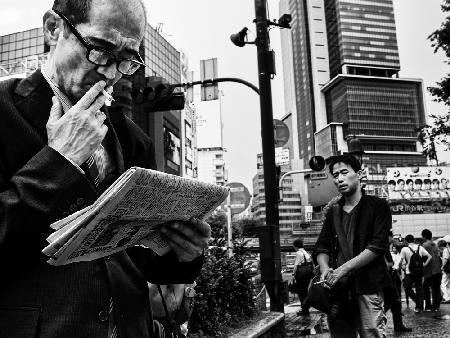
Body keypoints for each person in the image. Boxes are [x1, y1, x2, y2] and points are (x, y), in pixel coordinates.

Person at [0, 1, 211, 337]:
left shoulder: (129, 136)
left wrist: (181, 251)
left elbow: (137, 258)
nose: (111, 73)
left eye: (126, 60)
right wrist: (58, 162)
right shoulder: (5, 110)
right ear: (54, 29)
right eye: (99, 50)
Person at [315, 155, 392, 338]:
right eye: (335, 175)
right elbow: (321, 247)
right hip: (338, 290)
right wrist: (325, 269)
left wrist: (343, 269)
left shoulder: (378, 206)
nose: (339, 179)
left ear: (359, 174)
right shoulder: (333, 211)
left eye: (344, 172)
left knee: (372, 334)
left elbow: (378, 246)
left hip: (369, 286)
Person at [395, 234, 431, 313]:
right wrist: (424, 265)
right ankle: (420, 306)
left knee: (407, 287)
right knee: (419, 289)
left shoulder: (404, 249)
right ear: (414, 240)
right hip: (419, 271)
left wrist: (399, 267)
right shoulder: (420, 247)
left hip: (409, 272)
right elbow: (429, 257)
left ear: (406, 241)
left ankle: (418, 303)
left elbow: (400, 260)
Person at [384, 231, 411, 332]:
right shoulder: (383, 247)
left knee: (395, 303)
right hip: (388, 279)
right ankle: (380, 326)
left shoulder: (389, 246)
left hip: (392, 278)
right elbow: (387, 264)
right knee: (389, 303)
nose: (392, 240)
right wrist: (392, 266)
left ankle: (399, 325)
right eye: (391, 237)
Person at [421, 229, 442, 312]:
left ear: (424, 236)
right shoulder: (436, 245)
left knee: (425, 288)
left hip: (430, 271)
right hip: (438, 270)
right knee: (436, 289)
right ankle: (436, 306)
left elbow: (422, 257)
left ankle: (429, 306)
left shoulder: (425, 245)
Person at [292, 238, 314, 316]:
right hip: (307, 274)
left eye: (294, 246)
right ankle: (305, 309)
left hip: (301, 275)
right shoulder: (305, 252)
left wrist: (293, 274)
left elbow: (296, 265)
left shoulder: (299, 253)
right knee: (305, 291)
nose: (294, 248)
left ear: (296, 246)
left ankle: (304, 309)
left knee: (301, 292)